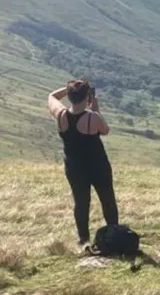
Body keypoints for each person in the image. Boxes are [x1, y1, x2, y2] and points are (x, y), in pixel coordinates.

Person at [47, 79, 118, 250]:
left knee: (81, 202)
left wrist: (70, 90)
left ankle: (83, 240)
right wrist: (96, 108)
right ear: (87, 97)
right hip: (97, 165)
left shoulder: (61, 115)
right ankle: (113, 233)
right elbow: (105, 130)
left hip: (74, 167)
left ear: (71, 96)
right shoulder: (91, 117)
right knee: (107, 198)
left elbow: (52, 96)